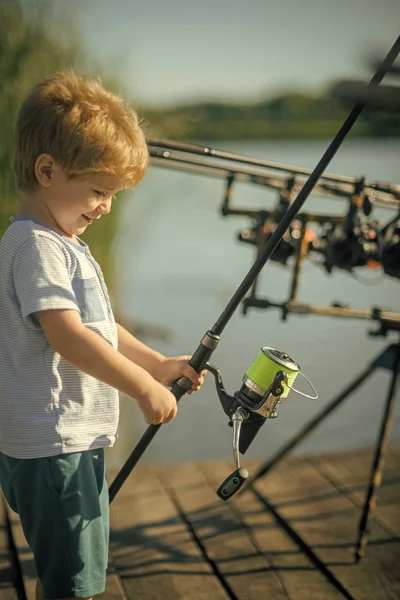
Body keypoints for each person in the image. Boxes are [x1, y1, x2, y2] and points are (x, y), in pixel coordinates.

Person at [0, 71, 205, 600]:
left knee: (72, 571)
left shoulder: (60, 241)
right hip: (53, 445)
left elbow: (98, 325)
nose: (106, 207)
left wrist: (155, 364)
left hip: (65, 441)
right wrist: (141, 386)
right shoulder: (37, 245)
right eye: (98, 190)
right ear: (48, 170)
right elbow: (68, 336)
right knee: (72, 583)